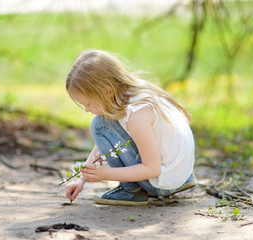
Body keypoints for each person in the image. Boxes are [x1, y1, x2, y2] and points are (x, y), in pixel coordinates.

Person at [64, 49, 196, 206]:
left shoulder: (137, 114)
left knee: (98, 123)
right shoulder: (137, 92)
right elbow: (108, 143)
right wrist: (82, 179)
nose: (86, 110)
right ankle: (179, 179)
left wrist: (106, 174)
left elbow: (152, 169)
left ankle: (131, 191)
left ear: (107, 92)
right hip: (179, 174)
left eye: (88, 104)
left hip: (162, 183)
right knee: (104, 122)